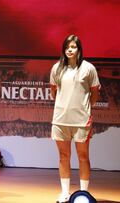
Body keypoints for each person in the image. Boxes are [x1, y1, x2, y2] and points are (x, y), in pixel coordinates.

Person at [50, 35, 100, 203]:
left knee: (83, 156)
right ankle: (64, 193)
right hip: (60, 120)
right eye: (67, 47)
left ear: (79, 49)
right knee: (64, 156)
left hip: (81, 121)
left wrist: (84, 109)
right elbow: (54, 92)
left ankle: (83, 193)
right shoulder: (57, 68)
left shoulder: (88, 68)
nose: (69, 50)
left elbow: (94, 93)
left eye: (73, 47)